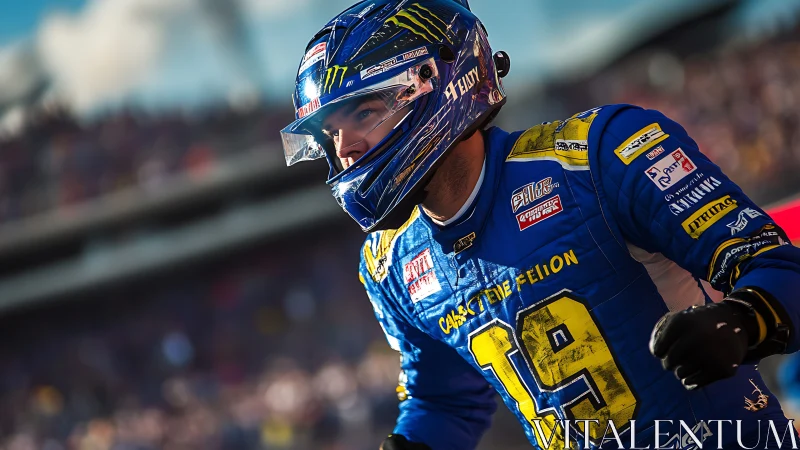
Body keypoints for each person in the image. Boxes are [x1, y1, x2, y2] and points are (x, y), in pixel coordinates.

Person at [280, 1, 800, 448]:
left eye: (364, 114)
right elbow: (445, 401)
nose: (344, 150)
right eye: (330, 134)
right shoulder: (391, 263)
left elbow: (779, 268)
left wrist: (743, 321)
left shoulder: (599, 156)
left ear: (440, 81)